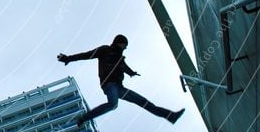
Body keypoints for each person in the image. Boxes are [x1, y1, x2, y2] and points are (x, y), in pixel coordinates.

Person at [57, 34, 185, 127]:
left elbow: (124, 67)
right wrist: (68, 58)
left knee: (143, 102)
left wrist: (131, 73)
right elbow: (86, 55)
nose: (125, 48)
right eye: (125, 45)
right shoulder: (104, 50)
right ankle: (84, 118)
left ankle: (170, 116)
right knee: (113, 104)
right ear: (120, 43)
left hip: (119, 87)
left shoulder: (120, 58)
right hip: (109, 84)